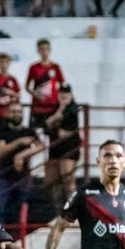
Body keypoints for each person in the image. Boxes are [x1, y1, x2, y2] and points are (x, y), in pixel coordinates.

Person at [0, 100, 45, 225]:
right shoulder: (1, 130)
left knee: (21, 210)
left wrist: (23, 154)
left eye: (19, 112)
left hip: (23, 176)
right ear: (8, 113)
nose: (17, 114)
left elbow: (41, 146)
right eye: (14, 111)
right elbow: (2, 151)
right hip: (5, 176)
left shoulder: (29, 131)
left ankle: (17, 235)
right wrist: (19, 142)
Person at [44, 82, 81, 214]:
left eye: (66, 93)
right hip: (55, 148)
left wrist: (55, 123)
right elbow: (46, 125)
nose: (64, 96)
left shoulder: (73, 108)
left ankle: (72, 212)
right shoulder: (55, 108)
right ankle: (58, 213)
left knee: (68, 180)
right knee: (55, 183)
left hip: (69, 148)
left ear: (71, 94)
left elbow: (66, 131)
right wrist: (58, 112)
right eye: (62, 93)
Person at [25, 38, 65, 131]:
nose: (44, 51)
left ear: (50, 50)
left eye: (46, 49)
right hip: (38, 107)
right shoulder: (33, 67)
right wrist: (34, 93)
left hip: (53, 107)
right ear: (38, 51)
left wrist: (60, 101)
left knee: (53, 133)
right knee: (36, 132)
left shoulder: (55, 67)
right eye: (42, 49)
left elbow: (62, 85)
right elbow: (27, 86)